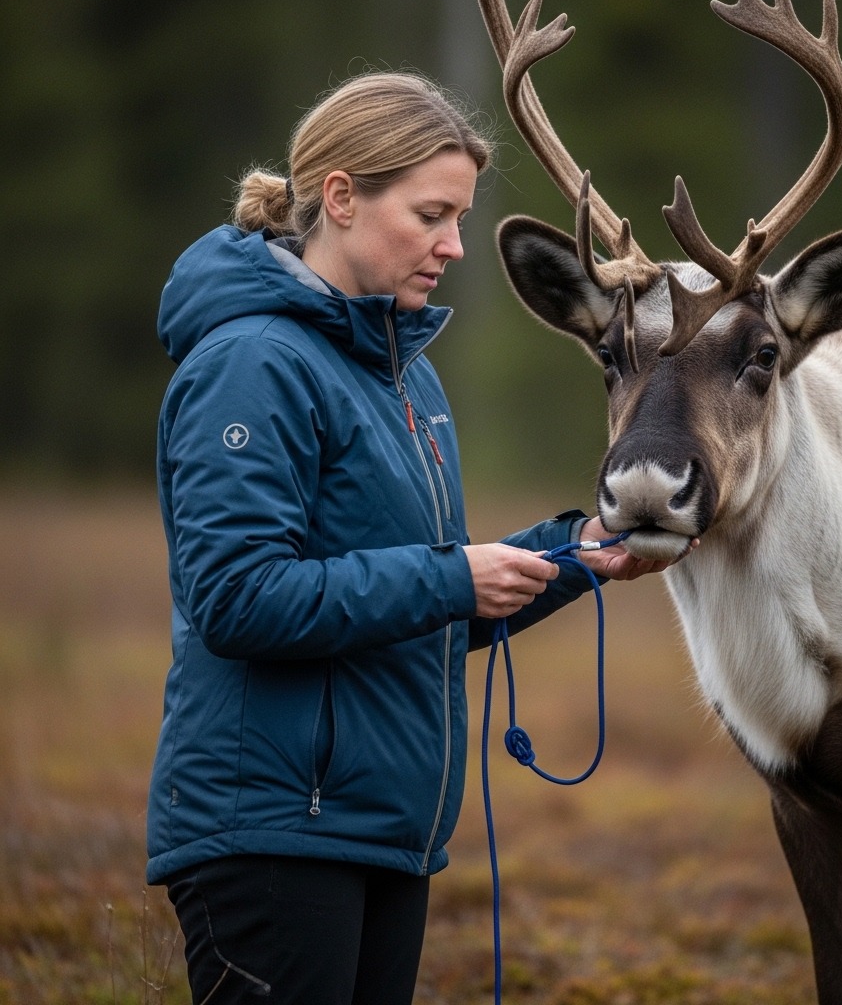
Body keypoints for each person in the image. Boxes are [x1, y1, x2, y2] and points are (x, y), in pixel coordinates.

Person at [146, 70, 677, 1005]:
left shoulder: (405, 378)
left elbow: (421, 600)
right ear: (343, 197)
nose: (457, 246)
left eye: (461, 217)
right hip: (273, 834)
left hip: (386, 831)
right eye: (433, 214)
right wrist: (450, 580)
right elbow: (237, 598)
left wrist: (572, 553)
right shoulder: (250, 364)